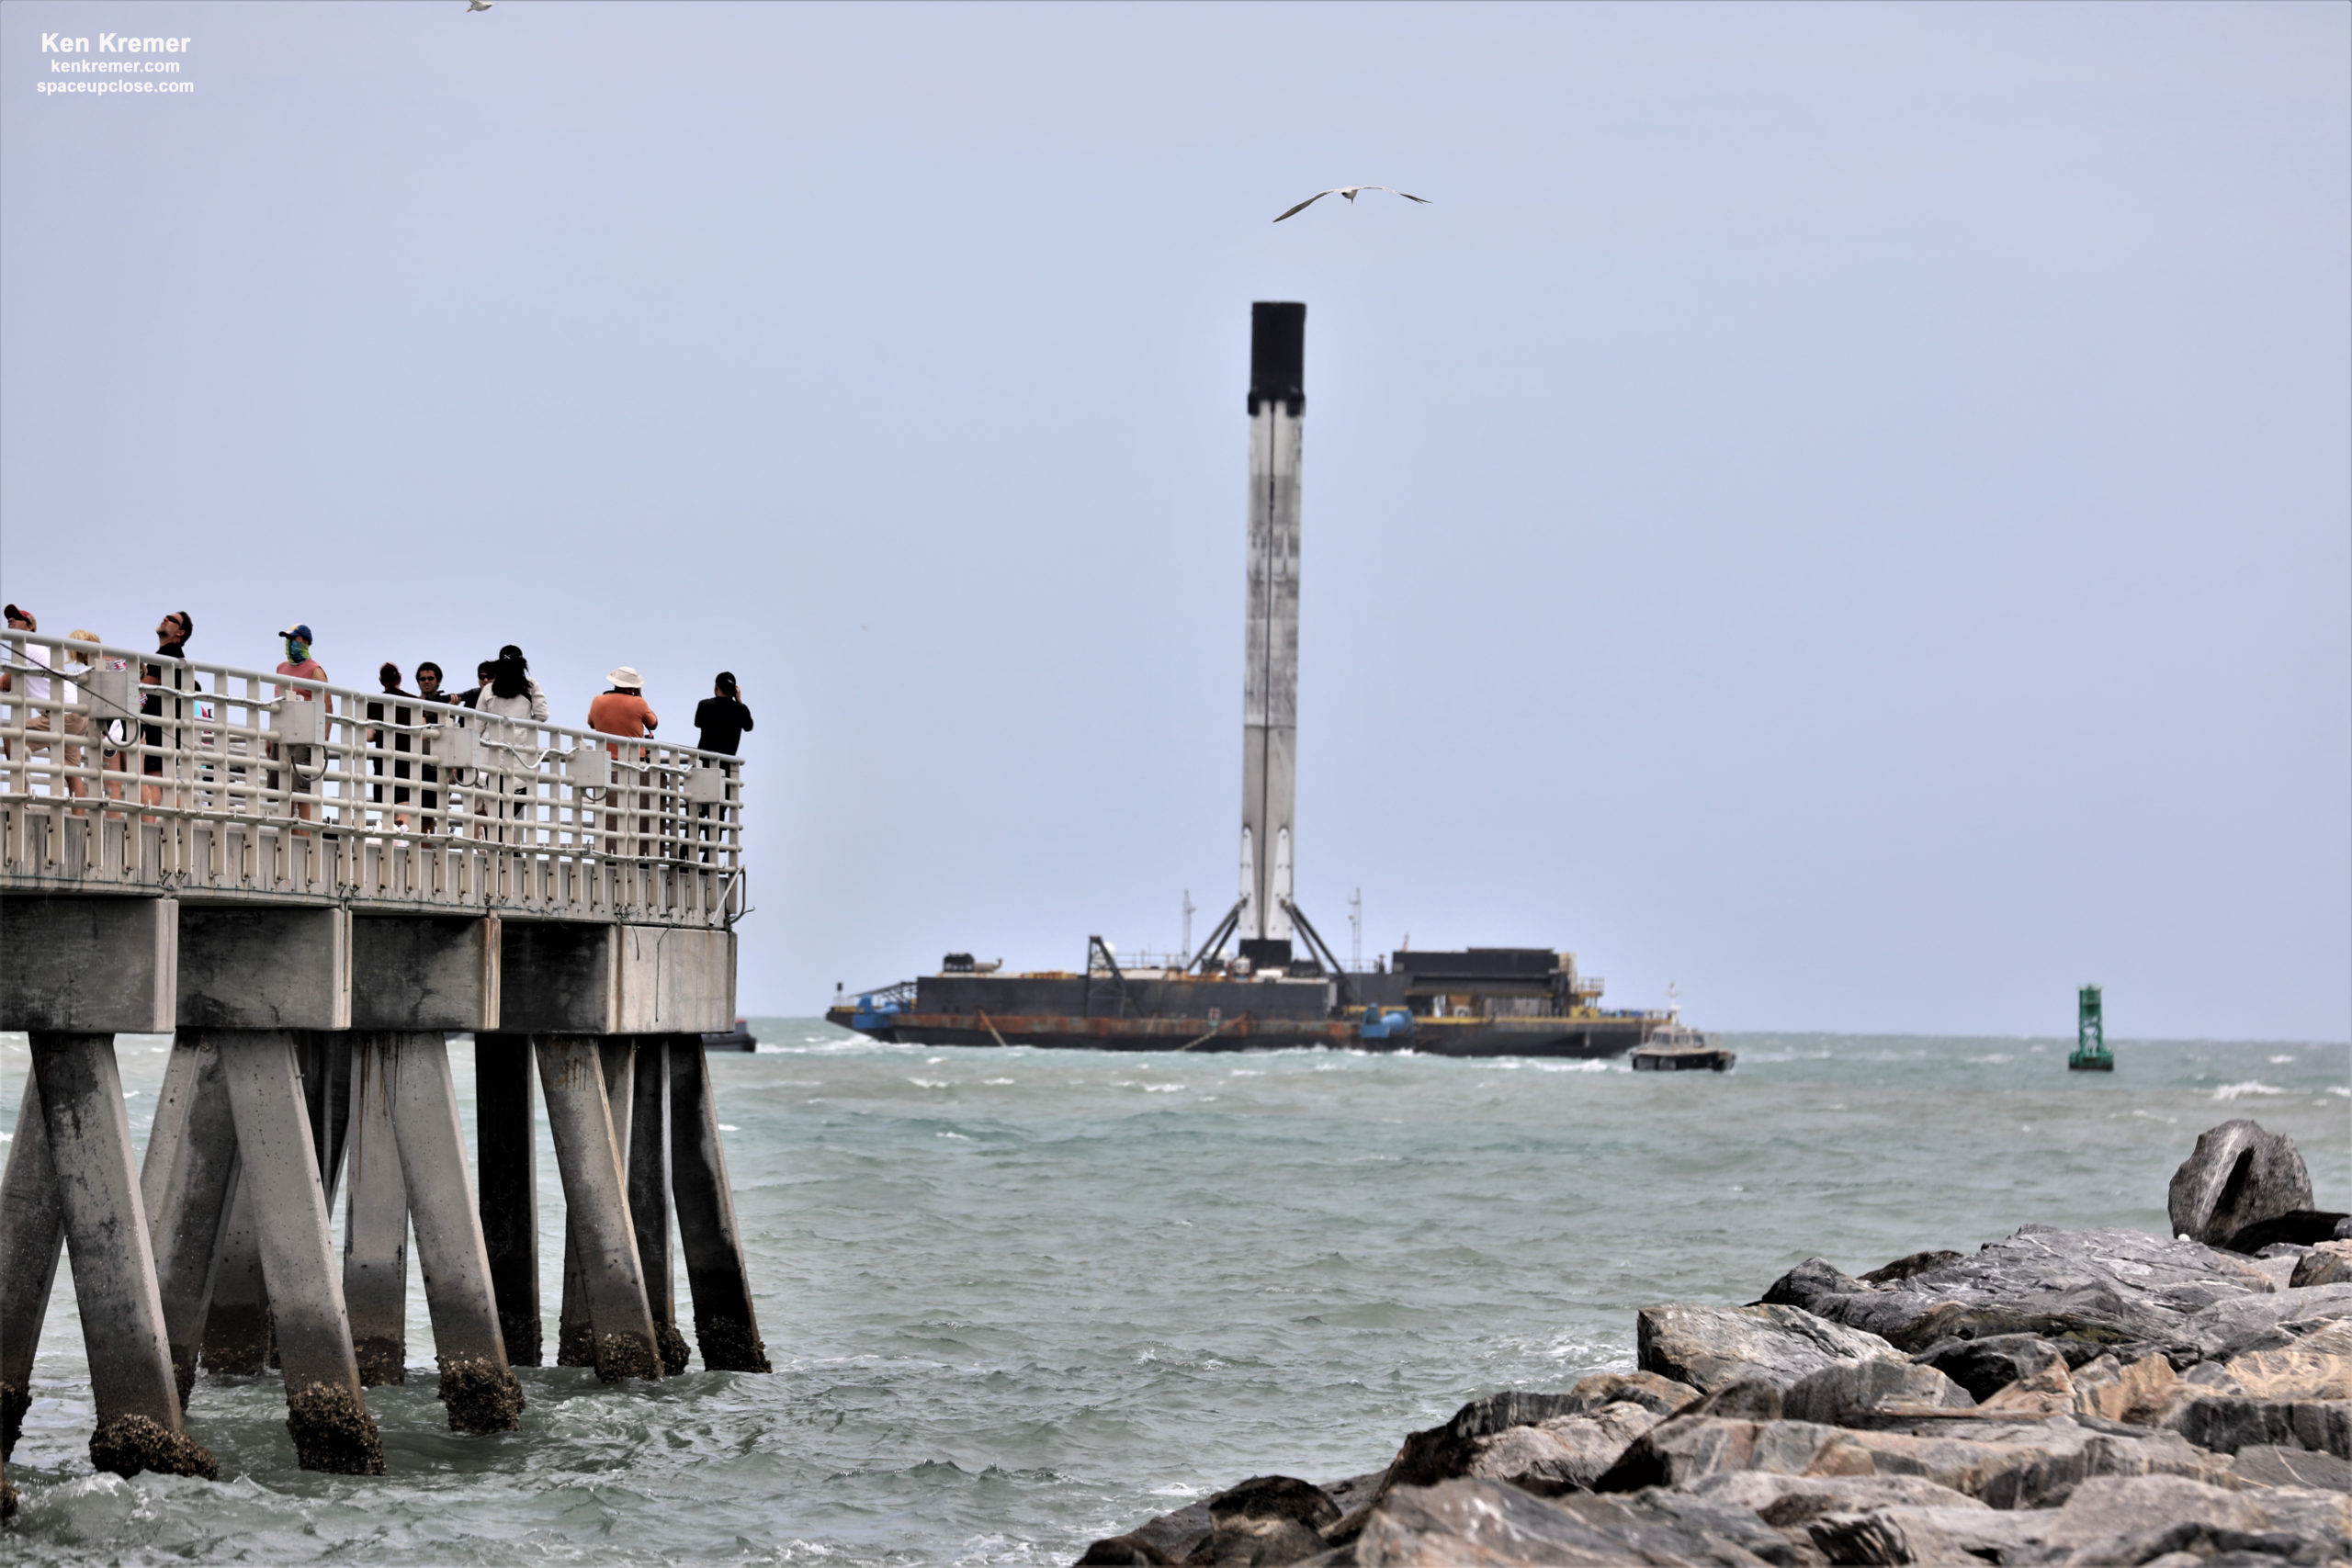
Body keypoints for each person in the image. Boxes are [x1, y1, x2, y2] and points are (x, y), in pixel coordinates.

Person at [476, 645, 547, 840]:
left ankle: (495, 841)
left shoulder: (489, 689)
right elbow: (542, 715)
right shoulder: (530, 686)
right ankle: (504, 845)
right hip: (520, 757)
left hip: (491, 758)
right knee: (513, 805)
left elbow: (477, 725)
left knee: (495, 807)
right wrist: (524, 728)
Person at [587, 666, 658, 857]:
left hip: (606, 763)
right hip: (635, 763)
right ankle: (639, 855)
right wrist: (640, 697)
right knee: (636, 813)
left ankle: (607, 852)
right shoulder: (639, 703)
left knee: (609, 814)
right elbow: (653, 724)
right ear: (634, 686)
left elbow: (591, 723)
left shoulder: (598, 700)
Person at [139, 611, 202, 814]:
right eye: (166, 616)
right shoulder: (174, 656)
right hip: (167, 727)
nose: (165, 618)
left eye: (172, 620)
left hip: (158, 727)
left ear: (180, 632)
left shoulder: (169, 655)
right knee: (165, 781)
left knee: (154, 780)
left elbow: (143, 686)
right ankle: (177, 828)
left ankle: (147, 826)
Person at [271, 623, 330, 821]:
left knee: (303, 792)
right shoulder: (281, 668)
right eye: (287, 639)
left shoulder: (316, 671)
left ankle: (305, 838)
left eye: (293, 639)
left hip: (304, 738)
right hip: (282, 735)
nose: (289, 644)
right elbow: (276, 703)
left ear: (305, 641)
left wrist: (323, 740)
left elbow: (327, 706)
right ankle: (284, 835)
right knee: (283, 791)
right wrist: (271, 736)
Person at [690, 671, 752, 859]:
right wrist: (740, 702)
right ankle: (710, 857)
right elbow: (749, 726)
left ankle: (687, 853)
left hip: (703, 764)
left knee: (696, 809)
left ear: (716, 686)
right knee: (719, 812)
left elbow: (697, 723)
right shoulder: (740, 710)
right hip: (726, 767)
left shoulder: (705, 705)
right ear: (734, 690)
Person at [0, 604, 51, 790]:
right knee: (71, 773)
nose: (10, 620)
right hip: (71, 712)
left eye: (16, 617)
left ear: (30, 627)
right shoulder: (38, 650)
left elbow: (4, 683)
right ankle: (83, 815)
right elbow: (11, 682)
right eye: (8, 618)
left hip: (55, 715)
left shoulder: (26, 648)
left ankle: (20, 797)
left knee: (12, 738)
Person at [366, 661, 414, 824]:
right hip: (407, 760)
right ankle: (404, 842)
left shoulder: (373, 702)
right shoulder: (414, 702)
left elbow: (368, 735)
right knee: (405, 805)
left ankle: (389, 842)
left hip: (383, 760)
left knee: (387, 808)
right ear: (400, 677)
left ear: (381, 681)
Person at [415, 662, 448, 831]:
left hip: (437, 767)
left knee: (429, 815)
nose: (426, 682)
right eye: (422, 679)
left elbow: (451, 737)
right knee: (411, 812)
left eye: (430, 678)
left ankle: (426, 852)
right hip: (415, 764)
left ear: (438, 681)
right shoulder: (413, 705)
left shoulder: (446, 707)